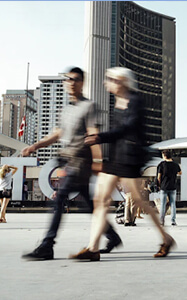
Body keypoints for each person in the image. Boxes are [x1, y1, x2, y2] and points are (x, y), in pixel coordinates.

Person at [69, 67, 175, 261]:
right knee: (100, 200)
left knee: (141, 202)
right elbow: (119, 133)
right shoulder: (117, 102)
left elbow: (128, 128)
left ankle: (166, 238)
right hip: (115, 158)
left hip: (130, 159)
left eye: (110, 79)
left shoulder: (135, 101)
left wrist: (99, 137)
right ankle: (93, 248)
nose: (105, 82)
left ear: (121, 81)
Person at [21, 67, 121, 260]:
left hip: (80, 162)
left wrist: (98, 162)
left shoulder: (88, 106)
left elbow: (93, 134)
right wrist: (36, 146)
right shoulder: (66, 109)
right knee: (88, 205)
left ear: (82, 83)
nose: (71, 82)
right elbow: (57, 134)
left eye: (75, 79)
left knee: (59, 199)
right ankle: (113, 236)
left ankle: (47, 245)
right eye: (68, 79)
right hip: (67, 161)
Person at [157, 150, 182, 226]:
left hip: (164, 187)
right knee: (173, 204)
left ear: (164, 156)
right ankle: (173, 221)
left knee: (163, 204)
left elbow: (159, 177)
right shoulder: (175, 164)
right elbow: (180, 173)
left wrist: (159, 185)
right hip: (173, 186)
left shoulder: (162, 164)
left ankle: (161, 221)